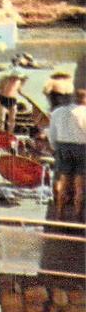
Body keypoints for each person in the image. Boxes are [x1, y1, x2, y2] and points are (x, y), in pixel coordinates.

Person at [48, 89, 86, 223]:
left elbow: (51, 134)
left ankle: (59, 213)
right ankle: (77, 216)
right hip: (82, 148)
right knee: (80, 185)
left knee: (63, 181)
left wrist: (55, 147)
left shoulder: (57, 112)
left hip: (63, 147)